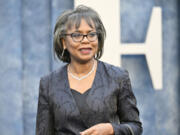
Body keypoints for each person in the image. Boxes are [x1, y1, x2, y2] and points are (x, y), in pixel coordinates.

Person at [36, 5, 143, 135]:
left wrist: (112, 129)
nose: (85, 40)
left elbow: (135, 127)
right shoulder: (48, 84)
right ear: (63, 42)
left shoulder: (118, 77)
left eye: (91, 34)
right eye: (77, 35)